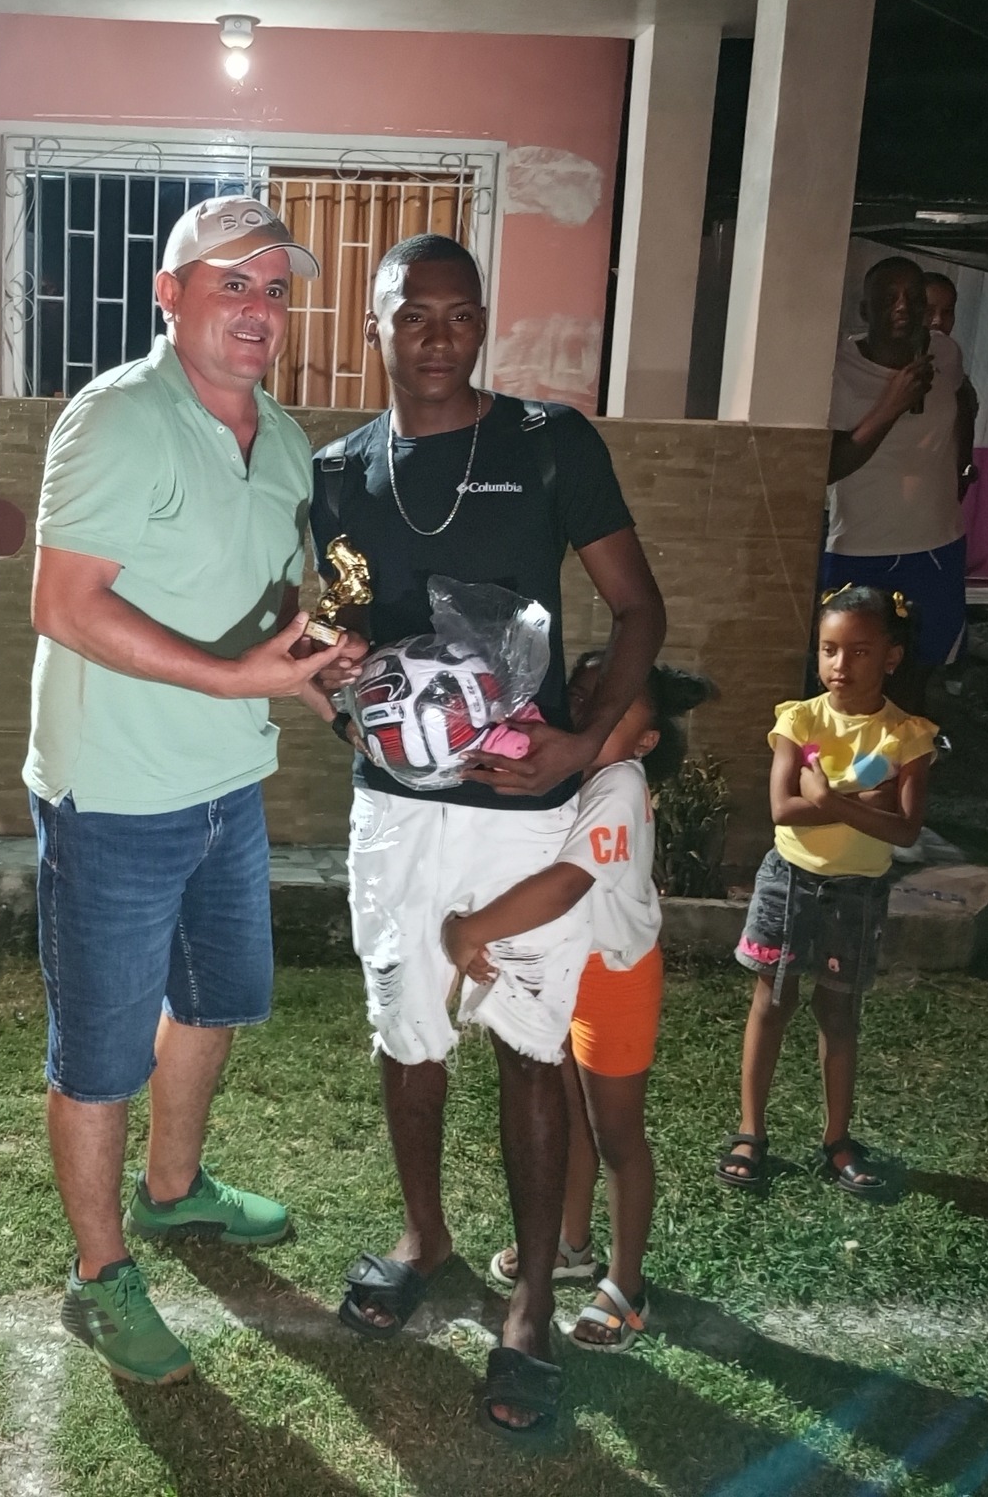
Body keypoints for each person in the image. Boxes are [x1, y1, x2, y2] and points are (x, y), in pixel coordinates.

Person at [306, 233, 665, 1441]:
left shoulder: (547, 443)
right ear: (374, 324)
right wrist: (337, 688)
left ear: (481, 325)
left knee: (526, 1043)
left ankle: (529, 1306)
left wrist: (582, 742)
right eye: (413, 313)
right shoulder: (339, 472)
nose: (439, 336)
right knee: (406, 1030)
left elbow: (637, 608)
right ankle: (423, 1238)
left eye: (461, 315)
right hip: (394, 810)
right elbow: (350, 634)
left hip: (522, 811)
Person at [23, 196, 345, 1387]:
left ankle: (170, 1189)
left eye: (274, 289)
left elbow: (276, 607)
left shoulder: (287, 440)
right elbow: (64, 605)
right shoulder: (117, 418)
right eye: (230, 283)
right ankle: (99, 1274)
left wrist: (328, 682)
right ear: (169, 295)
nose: (257, 309)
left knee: (211, 1004)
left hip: (227, 782)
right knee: (100, 1051)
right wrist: (230, 676)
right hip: (111, 791)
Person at [443, 656, 713, 1354]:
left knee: (616, 1135)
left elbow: (567, 883)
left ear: (647, 739)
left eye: (614, 704)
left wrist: (472, 930)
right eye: (585, 695)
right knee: (565, 1118)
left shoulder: (619, 784)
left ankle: (627, 1283)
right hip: (563, 968)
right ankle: (570, 1246)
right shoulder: (570, 775)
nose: (592, 710)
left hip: (613, 978)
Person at [716, 586, 937, 1201]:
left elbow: (906, 829)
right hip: (789, 880)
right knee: (772, 1002)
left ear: (891, 656)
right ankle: (751, 1132)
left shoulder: (907, 737)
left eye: (859, 651)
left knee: (839, 1013)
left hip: (858, 892)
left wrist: (827, 798)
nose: (841, 664)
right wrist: (861, 802)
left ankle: (837, 1139)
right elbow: (782, 809)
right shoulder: (799, 720)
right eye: (829, 649)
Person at [822, 258, 973, 713]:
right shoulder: (837, 369)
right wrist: (891, 405)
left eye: (914, 297)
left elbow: (965, 399)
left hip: (937, 546)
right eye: (889, 297)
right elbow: (829, 466)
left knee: (916, 679)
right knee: (852, 680)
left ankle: (902, 756)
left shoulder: (944, 354)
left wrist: (962, 467)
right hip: (860, 547)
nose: (903, 307)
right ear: (865, 310)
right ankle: (848, 758)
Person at [920, 271, 980, 503]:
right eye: (928, 311)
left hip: (940, 500)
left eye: (947, 312)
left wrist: (963, 474)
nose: (938, 321)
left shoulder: (960, 381)